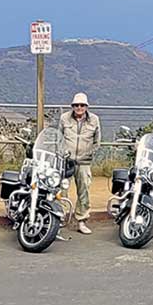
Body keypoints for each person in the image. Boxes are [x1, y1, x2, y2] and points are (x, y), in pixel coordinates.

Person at [57, 92, 101, 237]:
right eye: (76, 105)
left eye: (82, 105)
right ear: (72, 106)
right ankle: (58, 219)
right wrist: (61, 154)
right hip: (66, 161)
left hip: (84, 162)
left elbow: (97, 141)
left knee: (84, 191)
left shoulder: (94, 120)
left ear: (86, 106)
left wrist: (90, 154)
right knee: (61, 190)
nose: (79, 108)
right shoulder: (64, 118)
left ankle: (81, 220)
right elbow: (59, 137)